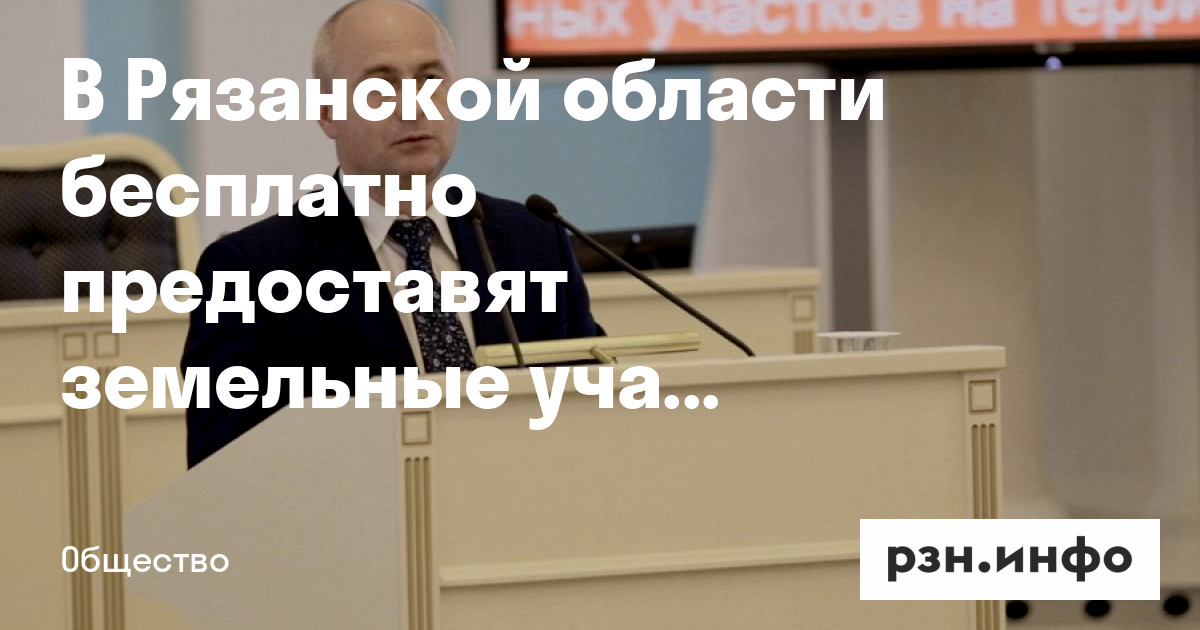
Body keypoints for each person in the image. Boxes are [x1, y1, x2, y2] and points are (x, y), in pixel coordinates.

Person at [182, 0, 602, 467]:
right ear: (327, 112)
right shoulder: (252, 270)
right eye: (380, 87)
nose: (413, 104)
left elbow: (595, 419)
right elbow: (222, 469)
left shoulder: (536, 241)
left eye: (430, 79)